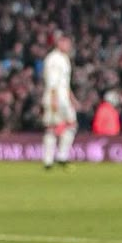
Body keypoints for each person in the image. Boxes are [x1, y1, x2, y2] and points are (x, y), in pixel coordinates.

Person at [41, 31, 78, 168]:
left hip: (63, 98)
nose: (69, 45)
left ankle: (59, 157)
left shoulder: (64, 58)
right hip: (55, 98)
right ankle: (50, 159)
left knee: (68, 125)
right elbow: (52, 83)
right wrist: (54, 100)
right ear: (59, 43)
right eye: (66, 42)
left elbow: (65, 83)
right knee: (53, 127)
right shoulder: (53, 59)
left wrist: (72, 98)